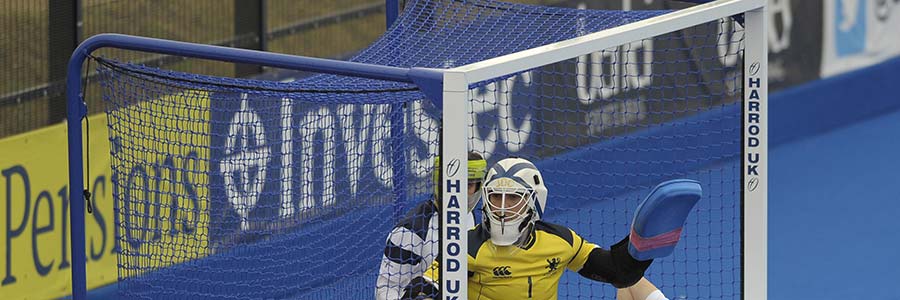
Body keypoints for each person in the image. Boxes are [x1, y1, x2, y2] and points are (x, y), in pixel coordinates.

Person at [402, 157, 702, 300]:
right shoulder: (465, 247)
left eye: (513, 198)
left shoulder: (559, 241)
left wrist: (641, 246)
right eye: (496, 196)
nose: (503, 207)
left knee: (628, 288)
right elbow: (423, 287)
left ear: (533, 203)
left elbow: (618, 272)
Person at [374, 152, 488, 300]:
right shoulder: (411, 231)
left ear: (478, 187)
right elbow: (386, 288)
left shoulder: (478, 219)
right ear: (439, 183)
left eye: (468, 185)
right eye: (453, 183)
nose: (459, 192)